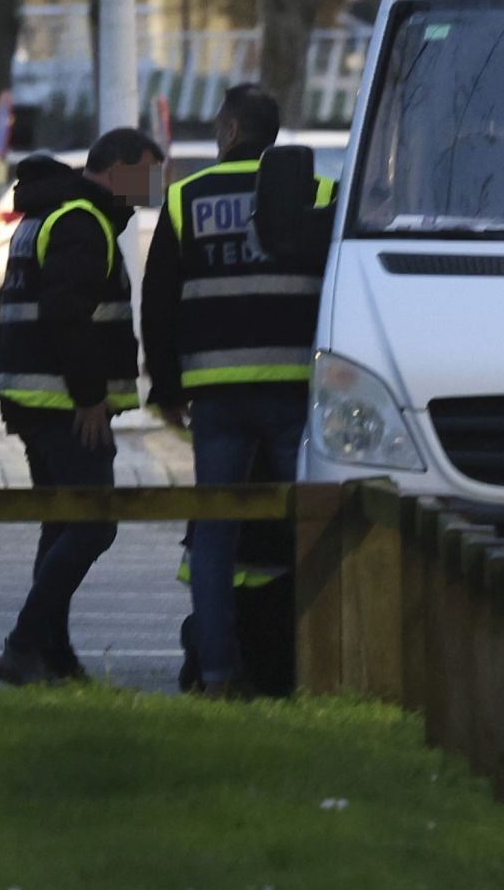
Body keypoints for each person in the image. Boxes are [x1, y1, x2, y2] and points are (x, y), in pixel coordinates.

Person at [142, 84, 334, 696]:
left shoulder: (185, 198)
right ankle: (313, 661)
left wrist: (167, 385)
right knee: (312, 528)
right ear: (274, 134)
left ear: (227, 131)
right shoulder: (321, 194)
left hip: (216, 392)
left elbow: (159, 304)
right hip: (296, 390)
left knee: (215, 537)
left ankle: (219, 672)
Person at [0, 127, 164, 686]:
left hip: (35, 397)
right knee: (93, 524)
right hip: (64, 403)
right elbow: (66, 314)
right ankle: (24, 644)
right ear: (115, 169)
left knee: (63, 523)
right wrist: (90, 398)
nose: (151, 191)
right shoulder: (81, 223)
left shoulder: (53, 215)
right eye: (146, 175)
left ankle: (53, 653)